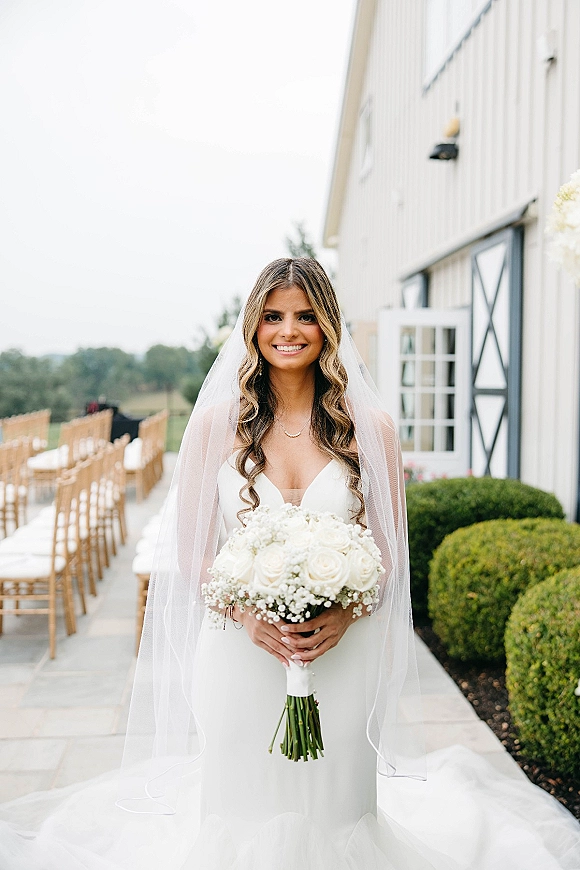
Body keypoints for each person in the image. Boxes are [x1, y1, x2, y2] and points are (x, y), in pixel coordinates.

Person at [0, 258, 579, 870]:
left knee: (333, 800)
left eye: (305, 316)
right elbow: (192, 551)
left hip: (341, 650)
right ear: (253, 327)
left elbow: (387, 550)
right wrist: (248, 614)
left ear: (328, 326)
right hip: (238, 648)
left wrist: (348, 612)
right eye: (273, 316)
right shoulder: (215, 427)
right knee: (241, 796)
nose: (289, 330)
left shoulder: (371, 429)